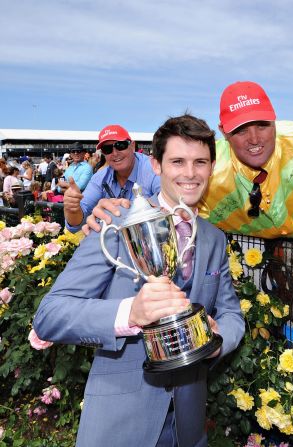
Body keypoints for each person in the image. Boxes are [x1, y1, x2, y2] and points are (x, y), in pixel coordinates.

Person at [33, 114, 245, 447]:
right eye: (178, 161)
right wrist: (129, 314)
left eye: (200, 162)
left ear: (211, 167)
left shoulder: (215, 239)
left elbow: (231, 313)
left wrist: (218, 339)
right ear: (156, 165)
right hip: (119, 426)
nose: (190, 174)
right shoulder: (116, 222)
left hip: (190, 429)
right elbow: (50, 314)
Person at [88, 82, 293, 331]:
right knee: (259, 314)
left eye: (262, 125)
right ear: (223, 132)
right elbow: (169, 200)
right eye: (241, 130)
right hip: (247, 246)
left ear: (275, 120)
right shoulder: (209, 166)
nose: (254, 138)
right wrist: (121, 214)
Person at [63, 124, 161, 233]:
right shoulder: (100, 178)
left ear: (132, 146)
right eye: (107, 149)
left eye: (121, 145)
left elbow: (169, 201)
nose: (115, 153)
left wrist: (123, 210)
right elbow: (76, 223)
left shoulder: (151, 168)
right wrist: (72, 209)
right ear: (103, 153)